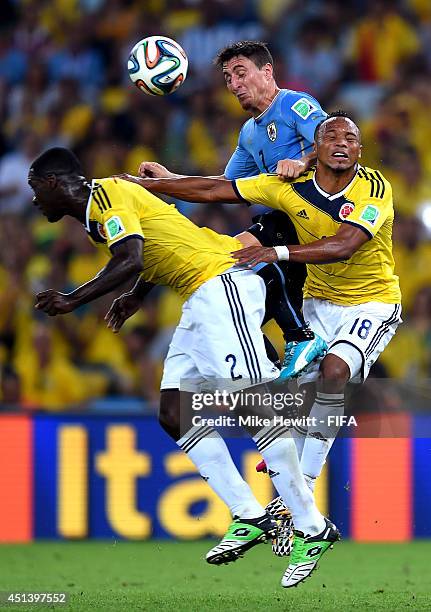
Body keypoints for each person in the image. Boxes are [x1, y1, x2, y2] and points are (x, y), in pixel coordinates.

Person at [29, 146, 339, 589]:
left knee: (253, 407)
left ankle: (312, 526)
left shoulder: (109, 194)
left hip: (220, 283)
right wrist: (138, 294)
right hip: (198, 297)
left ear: (56, 183)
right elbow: (166, 240)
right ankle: (250, 514)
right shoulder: (101, 216)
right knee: (174, 413)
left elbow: (132, 255)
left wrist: (73, 298)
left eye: (36, 188)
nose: (34, 200)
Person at [117, 111, 402, 586]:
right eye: (330, 135)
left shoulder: (373, 189)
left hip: (370, 304)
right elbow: (217, 190)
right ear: (317, 144)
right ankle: (295, 508)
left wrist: (277, 253)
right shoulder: (288, 185)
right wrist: (155, 185)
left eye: (349, 138)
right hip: (317, 302)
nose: (339, 143)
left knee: (333, 371)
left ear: (359, 151)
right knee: (283, 389)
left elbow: (344, 246)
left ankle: (302, 492)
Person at [139, 40, 328, 380]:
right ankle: (269, 367)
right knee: (234, 302)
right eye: (228, 78)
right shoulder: (249, 132)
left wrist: (302, 161)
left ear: (267, 72)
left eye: (241, 74)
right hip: (283, 221)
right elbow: (223, 186)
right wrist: (171, 178)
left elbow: (332, 139)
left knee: (241, 253)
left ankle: (300, 337)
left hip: (315, 212)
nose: (234, 85)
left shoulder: (293, 104)